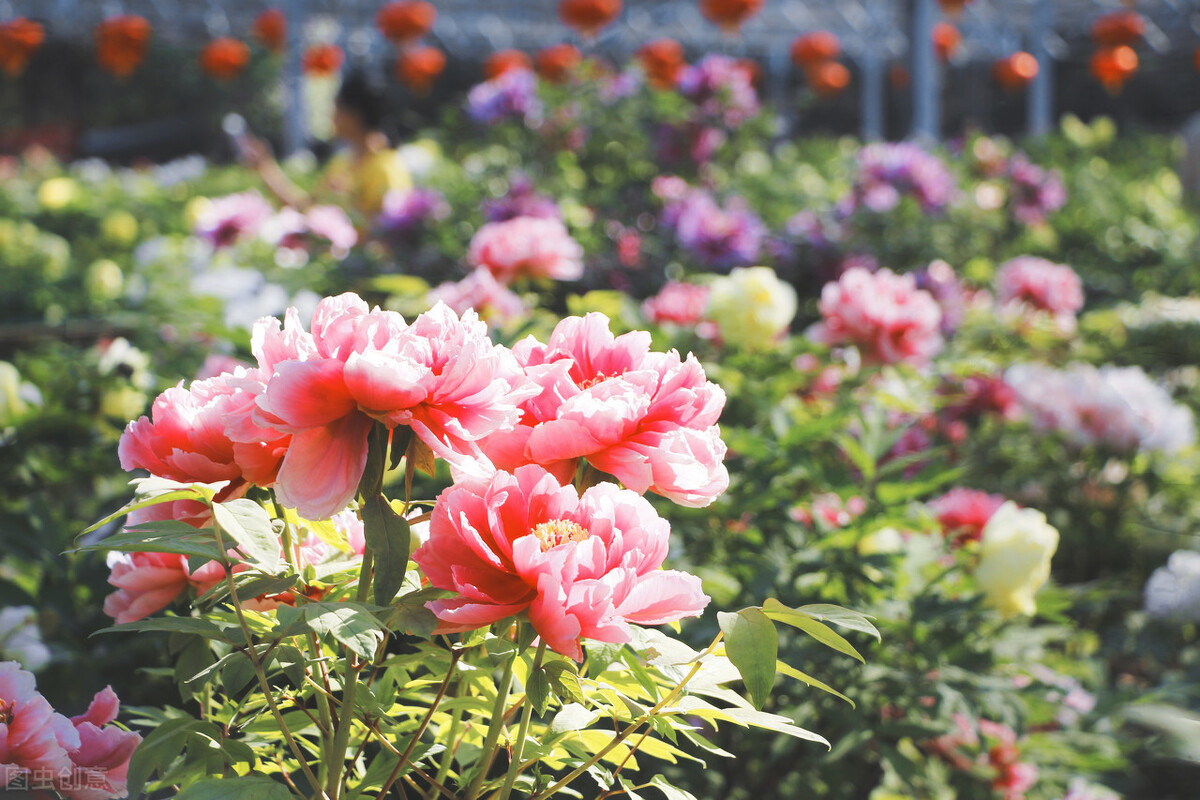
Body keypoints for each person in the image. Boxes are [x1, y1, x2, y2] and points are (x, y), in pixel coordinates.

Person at [242, 69, 411, 219]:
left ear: (354, 115)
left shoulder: (386, 168)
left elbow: (390, 228)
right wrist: (265, 167)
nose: (331, 115)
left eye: (336, 108)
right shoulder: (343, 163)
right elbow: (306, 208)